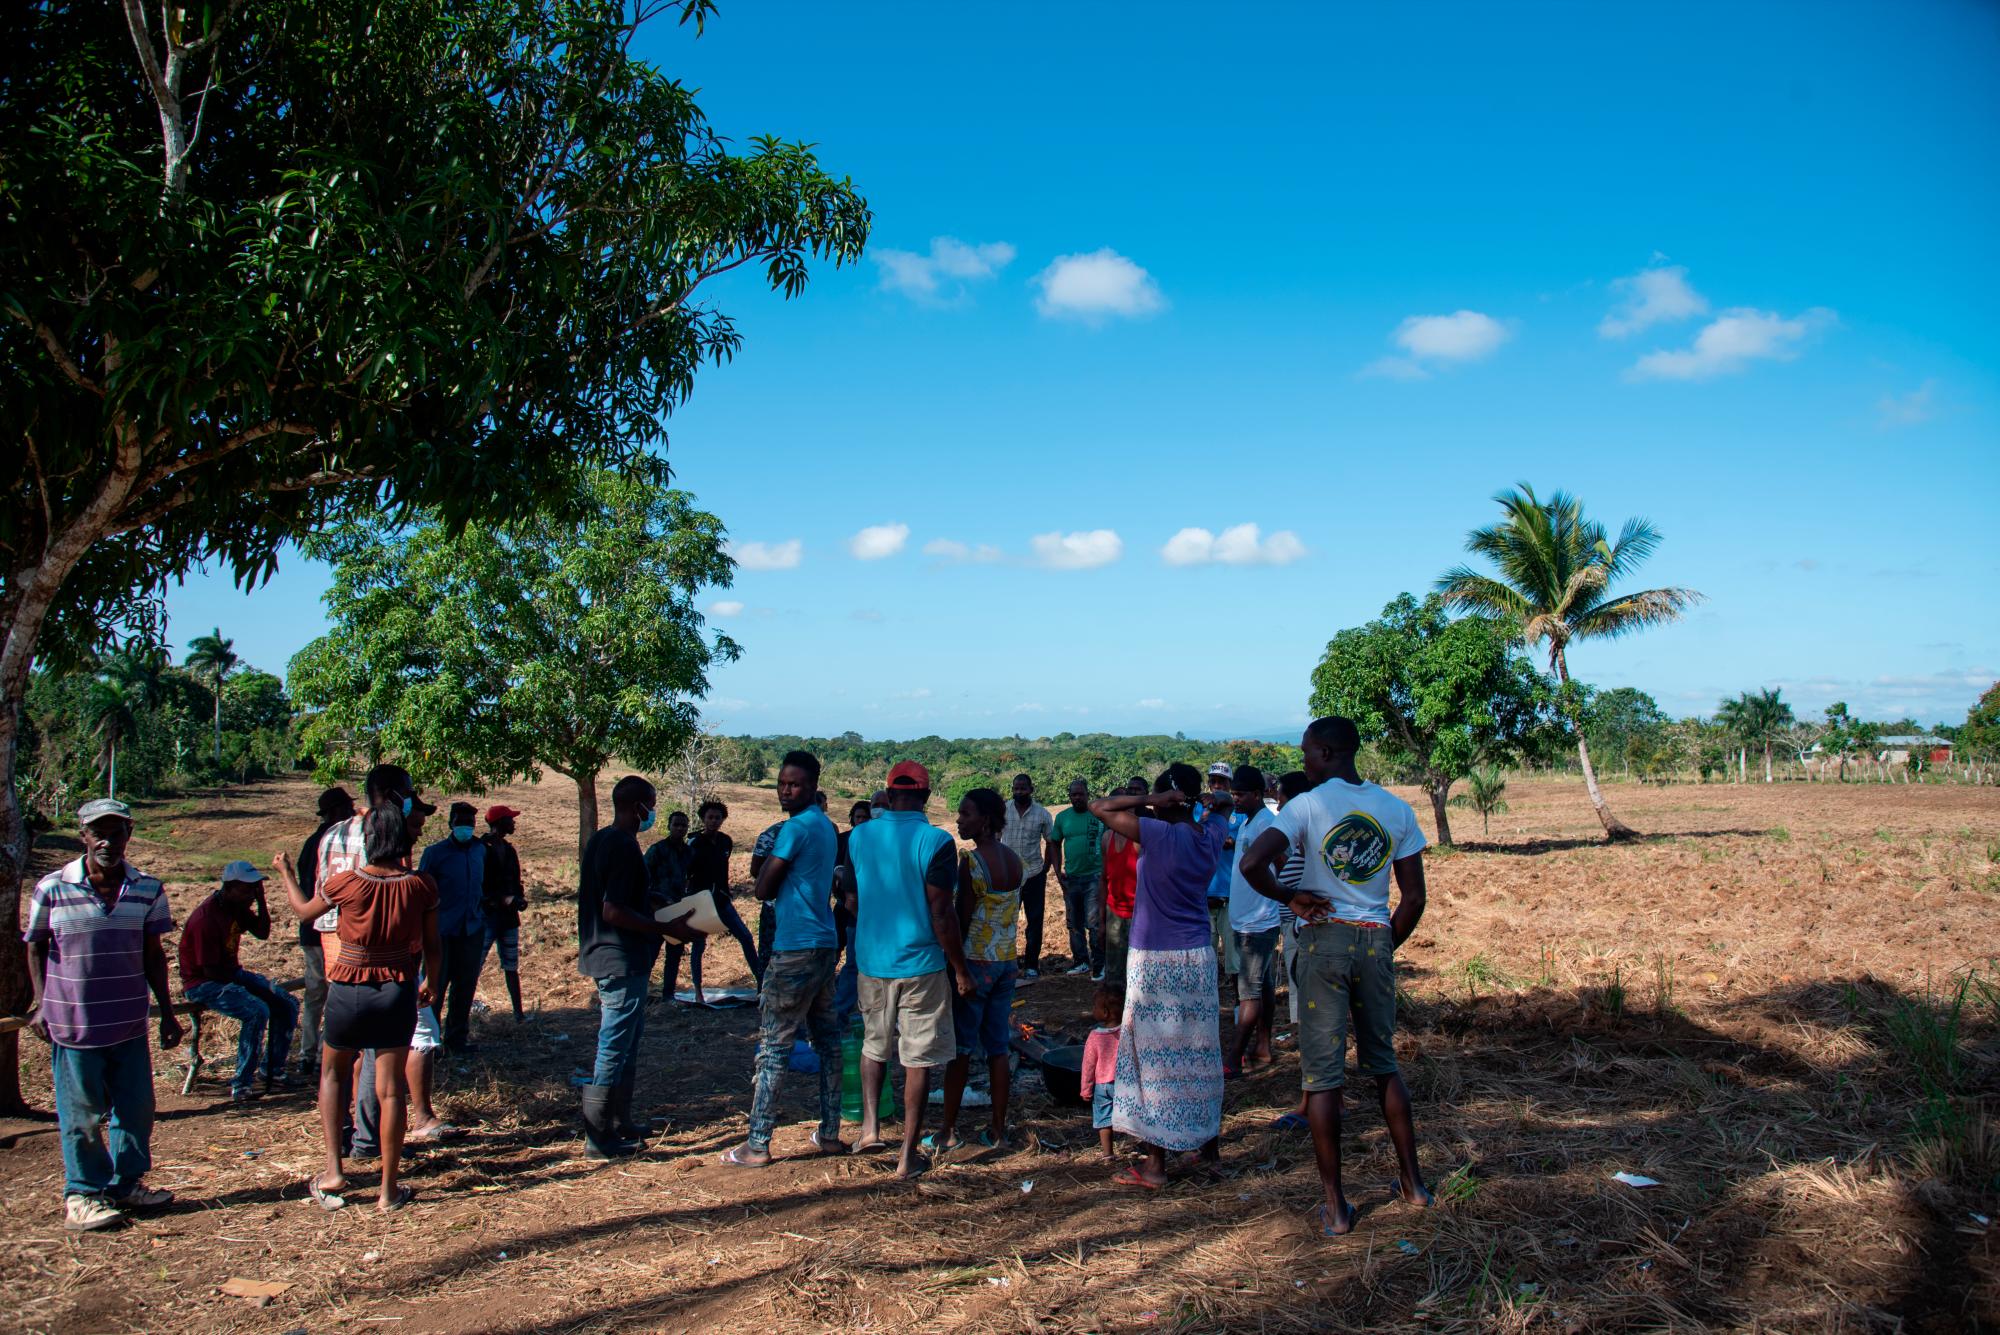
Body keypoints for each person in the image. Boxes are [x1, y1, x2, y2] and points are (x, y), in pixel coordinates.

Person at [1240, 716, 1433, 1236]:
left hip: (1324, 940)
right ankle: (1413, 1185)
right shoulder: (1395, 808)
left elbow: (1254, 863)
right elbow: (1413, 898)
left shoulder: (1307, 805)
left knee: (1323, 1079)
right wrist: (1381, 946)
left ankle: (1336, 1207)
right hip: (1374, 938)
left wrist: (1290, 899)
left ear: (1325, 753)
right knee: (1384, 1066)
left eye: (1306, 752)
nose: (1302, 761)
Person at [24, 797, 184, 1232]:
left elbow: (154, 955)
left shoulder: (147, 889)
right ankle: (82, 1194)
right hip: (74, 1023)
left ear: (129, 835)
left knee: (136, 1109)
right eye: (99, 833)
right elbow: (35, 944)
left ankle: (124, 1183)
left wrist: (167, 1012)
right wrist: (40, 1003)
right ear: (84, 837)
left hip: (129, 1021)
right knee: (81, 1113)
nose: (108, 842)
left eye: (117, 833)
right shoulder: (53, 888)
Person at [276, 802, 442, 1213]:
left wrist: (285, 873)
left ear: (369, 841)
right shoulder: (421, 886)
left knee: (332, 1075)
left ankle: (334, 1172)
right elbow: (434, 947)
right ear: (402, 839)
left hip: (349, 991)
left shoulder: (346, 883)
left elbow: (303, 912)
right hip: (397, 992)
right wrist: (431, 983)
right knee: (390, 1092)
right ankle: (389, 1190)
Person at [1088, 764, 1231, 1190]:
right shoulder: (1210, 835)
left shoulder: (1157, 833)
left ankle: (1155, 1164)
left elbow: (1100, 806)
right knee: (1199, 1053)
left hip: (1155, 961)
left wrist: (1151, 802)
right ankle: (1207, 1148)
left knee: (1153, 1060)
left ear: (1168, 798)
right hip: (1198, 959)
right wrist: (1208, 801)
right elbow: (1223, 803)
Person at [842, 761, 973, 1179]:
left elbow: (852, 898)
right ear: (926, 795)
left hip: (872, 960)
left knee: (873, 1047)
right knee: (918, 1058)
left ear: (888, 792)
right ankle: (907, 1156)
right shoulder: (936, 841)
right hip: (921, 964)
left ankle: (869, 1131)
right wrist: (959, 967)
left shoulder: (860, 836)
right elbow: (941, 910)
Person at [313, 765, 453, 1153]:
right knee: (385, 1048)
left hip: (336, 945)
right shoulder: (386, 834)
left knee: (342, 1051)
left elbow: (321, 900)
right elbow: (397, 902)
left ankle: (342, 1136)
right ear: (392, 794)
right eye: (408, 792)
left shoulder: (331, 834)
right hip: (381, 954)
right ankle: (371, 1139)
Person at [720, 753, 844, 1166]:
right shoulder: (826, 827)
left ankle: (757, 1143)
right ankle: (828, 1133)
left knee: (774, 1045)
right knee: (827, 1042)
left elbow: (763, 888)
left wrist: (774, 869)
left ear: (811, 787)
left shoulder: (794, 828)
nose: (785, 790)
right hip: (825, 943)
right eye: (781, 784)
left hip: (794, 946)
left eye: (793, 784)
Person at [576, 776, 696, 1159]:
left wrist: (651, 897)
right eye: (653, 805)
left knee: (626, 1043)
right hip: (620, 957)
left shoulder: (601, 840)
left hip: (614, 956)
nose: (654, 813)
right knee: (613, 1046)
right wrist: (663, 927)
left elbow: (618, 895)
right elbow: (613, 909)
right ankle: (598, 1137)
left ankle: (619, 1121)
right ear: (638, 807)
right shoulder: (624, 846)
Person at [932, 787, 1024, 1151]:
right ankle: (998, 1130)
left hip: (976, 962)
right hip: (1006, 962)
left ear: (985, 820)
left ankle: (948, 1131)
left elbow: (962, 918)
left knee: (961, 1051)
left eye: (966, 814)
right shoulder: (1016, 861)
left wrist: (956, 968)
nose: (959, 820)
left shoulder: (970, 863)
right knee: (998, 1048)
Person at [178, 860, 300, 1102]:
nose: (251, 895)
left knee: (287, 1004)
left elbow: (262, 933)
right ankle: (242, 1082)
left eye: (255, 889)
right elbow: (209, 969)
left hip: (230, 974)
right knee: (256, 1011)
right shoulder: (206, 918)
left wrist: (261, 901)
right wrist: (249, 989)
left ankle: (272, 1069)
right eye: (247, 889)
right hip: (203, 983)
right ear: (230, 887)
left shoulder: (236, 907)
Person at [671, 799, 762, 999]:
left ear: (723, 820)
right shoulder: (694, 843)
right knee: (699, 945)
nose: (713, 821)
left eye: (717, 818)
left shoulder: (726, 841)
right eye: (710, 817)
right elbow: (685, 871)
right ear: (703, 819)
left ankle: (761, 983)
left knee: (745, 937)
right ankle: (697, 991)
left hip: (721, 899)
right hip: (700, 901)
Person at [1222, 767, 1281, 1077]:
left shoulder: (1267, 826)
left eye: (1241, 795)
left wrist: (1282, 900)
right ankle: (1263, 1047)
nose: (1236, 799)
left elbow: (1283, 866)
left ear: (1257, 794)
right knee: (1263, 986)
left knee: (1249, 991)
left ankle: (1234, 1056)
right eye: (1234, 794)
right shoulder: (1247, 823)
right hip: (1245, 919)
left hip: (1259, 922)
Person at [417, 802, 488, 1052]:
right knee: (435, 984)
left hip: (471, 928)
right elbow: (422, 892)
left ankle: (457, 1040)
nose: (465, 827)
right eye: (461, 822)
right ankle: (430, 1041)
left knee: (465, 986)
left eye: (470, 823)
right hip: (441, 930)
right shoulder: (435, 854)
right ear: (450, 823)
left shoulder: (480, 850)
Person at [296, 786, 356, 1077]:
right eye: (345, 810)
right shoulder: (332, 841)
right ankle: (322, 1054)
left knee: (315, 996)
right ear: (334, 813)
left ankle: (310, 1054)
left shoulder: (312, 843)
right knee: (331, 995)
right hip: (328, 929)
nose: (349, 815)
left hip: (312, 929)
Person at [1269, 770, 1314, 1133]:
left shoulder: (1304, 827)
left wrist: (1288, 899)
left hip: (1304, 929)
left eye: (1281, 797)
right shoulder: (1305, 831)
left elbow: (1255, 863)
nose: (1278, 803)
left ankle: (1313, 1100)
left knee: (1311, 1018)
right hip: (1298, 926)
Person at [998, 774, 1054, 980]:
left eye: (1023, 788)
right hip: (1009, 876)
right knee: (1006, 921)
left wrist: (1046, 867)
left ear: (1032, 789)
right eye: (1016, 788)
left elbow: (1051, 842)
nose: (1019, 792)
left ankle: (1031, 965)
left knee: (1035, 920)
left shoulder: (1042, 814)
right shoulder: (1003, 810)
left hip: (1034, 875)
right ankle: (1008, 964)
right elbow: (995, 839)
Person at [1049, 780, 1105, 978]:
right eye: (1074, 795)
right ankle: (1081, 961)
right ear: (1069, 796)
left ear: (1087, 794)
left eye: (1081, 794)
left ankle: (1099, 965)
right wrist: (1057, 872)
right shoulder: (1063, 818)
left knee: (1094, 922)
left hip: (1095, 877)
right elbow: (1054, 843)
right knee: (1074, 922)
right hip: (1072, 878)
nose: (1077, 798)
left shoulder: (1098, 814)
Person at [1202, 762, 1245, 1003]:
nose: (1217, 785)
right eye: (1213, 780)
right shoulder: (1199, 810)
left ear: (1229, 785)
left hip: (1230, 896)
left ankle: (1239, 1007)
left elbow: (1237, 843)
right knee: (1204, 958)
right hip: (1204, 896)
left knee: (1234, 959)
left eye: (1222, 781)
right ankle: (1206, 1005)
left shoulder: (1239, 813)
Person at [480, 804, 527, 1021]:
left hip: (507, 918)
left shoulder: (508, 850)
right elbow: (480, 886)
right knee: (474, 967)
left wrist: (518, 898)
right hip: (487, 916)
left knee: (511, 965)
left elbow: (515, 882)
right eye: (510, 819)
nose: (514, 822)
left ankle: (519, 1014)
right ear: (500, 823)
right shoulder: (481, 849)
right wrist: (502, 899)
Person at [829, 801, 873, 1028]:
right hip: (847, 909)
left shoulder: (877, 843)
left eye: (866, 817)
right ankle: (837, 1010)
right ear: (852, 819)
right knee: (845, 959)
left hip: (869, 912)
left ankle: (848, 1010)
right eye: (858, 817)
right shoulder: (844, 840)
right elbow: (833, 870)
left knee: (857, 963)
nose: (862, 821)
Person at [1099, 793, 1140, 989]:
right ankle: (1115, 1015)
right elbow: (1103, 878)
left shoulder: (1140, 839)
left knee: (1137, 969)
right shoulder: (1107, 838)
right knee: (1114, 970)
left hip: (1138, 912)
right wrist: (1101, 919)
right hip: (1114, 910)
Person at [1079, 985, 1123, 1159]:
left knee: (1104, 1120)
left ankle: (1107, 1153)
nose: (1092, 1010)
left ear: (1105, 1013)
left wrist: (1085, 1089)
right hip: (1124, 1083)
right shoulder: (1126, 1032)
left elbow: (1088, 1066)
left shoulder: (1095, 1036)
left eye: (1094, 1007)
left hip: (1102, 1086)